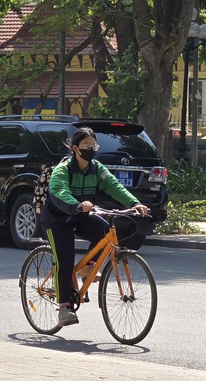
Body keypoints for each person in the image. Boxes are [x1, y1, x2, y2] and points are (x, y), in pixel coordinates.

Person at [40, 127, 149, 327]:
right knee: (65, 260)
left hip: (81, 215)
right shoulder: (62, 170)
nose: (91, 149)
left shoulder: (97, 168)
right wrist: (76, 205)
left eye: (94, 146)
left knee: (105, 231)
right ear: (75, 148)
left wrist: (134, 203)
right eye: (86, 146)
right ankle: (64, 307)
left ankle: (87, 268)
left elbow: (114, 186)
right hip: (58, 219)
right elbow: (59, 190)